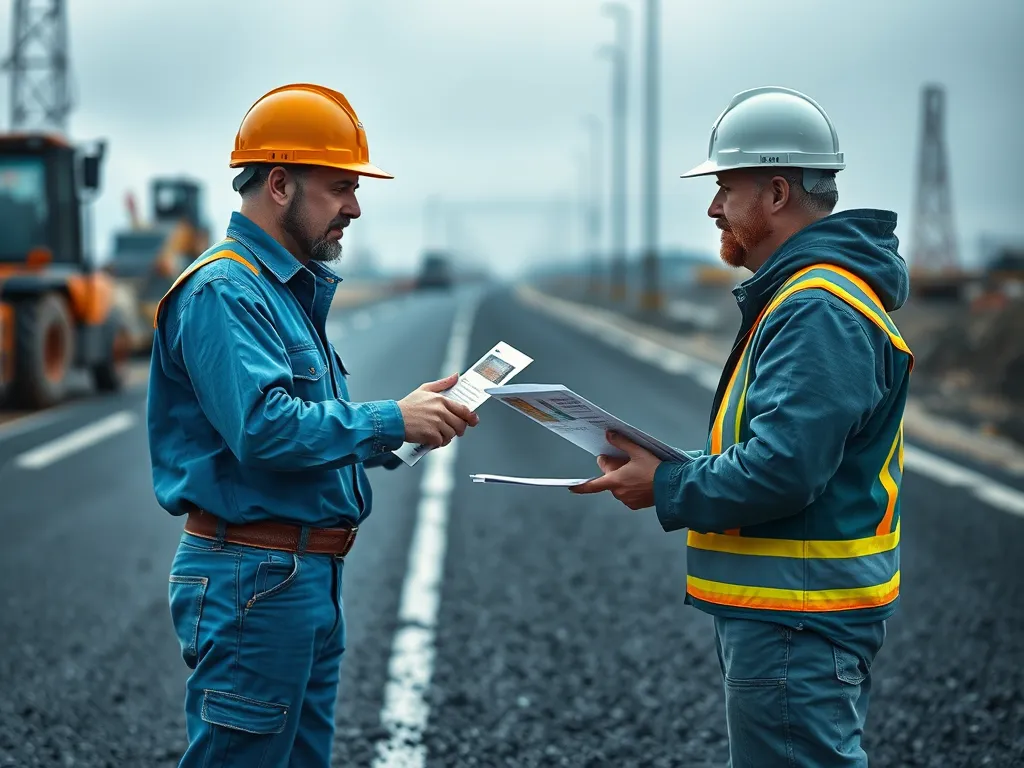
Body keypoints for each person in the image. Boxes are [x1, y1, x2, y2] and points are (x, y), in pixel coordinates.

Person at [572, 86, 913, 767]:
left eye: (726, 188)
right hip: (796, 614)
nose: (713, 207)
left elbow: (784, 469)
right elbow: (779, 449)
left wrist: (667, 484)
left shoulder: (816, 307)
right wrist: (671, 467)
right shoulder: (808, 295)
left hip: (798, 618)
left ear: (777, 192)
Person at [148, 83, 479, 767]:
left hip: (299, 577)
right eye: (340, 188)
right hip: (254, 578)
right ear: (279, 184)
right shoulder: (225, 290)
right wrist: (389, 418)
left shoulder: (282, 290)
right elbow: (264, 429)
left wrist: (403, 426)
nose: (354, 207)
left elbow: (308, 428)